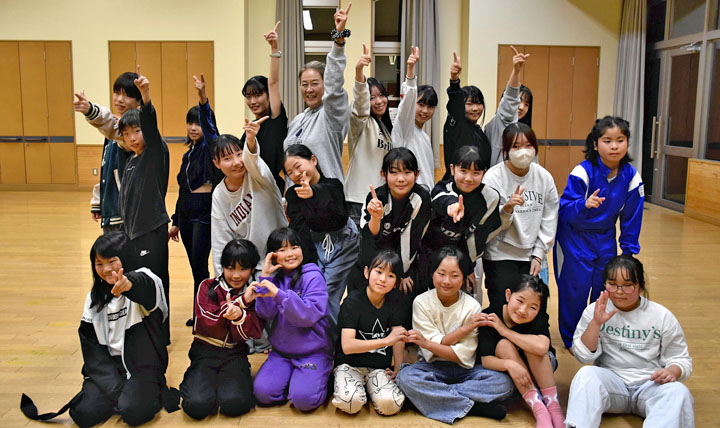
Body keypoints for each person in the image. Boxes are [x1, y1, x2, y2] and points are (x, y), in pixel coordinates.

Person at [20, 232, 175, 427]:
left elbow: (144, 286)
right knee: (83, 414)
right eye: (99, 263)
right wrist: (115, 388)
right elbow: (91, 348)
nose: (106, 269)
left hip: (141, 368)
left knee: (133, 412)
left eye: (112, 261)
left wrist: (129, 284)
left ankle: (135, 395)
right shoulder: (94, 298)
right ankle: (121, 396)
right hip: (109, 368)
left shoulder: (146, 279)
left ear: (125, 258)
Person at [566, 255, 694, 428]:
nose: (619, 291)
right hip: (612, 383)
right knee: (585, 375)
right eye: (612, 284)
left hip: (650, 384)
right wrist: (596, 323)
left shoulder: (661, 316)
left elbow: (680, 358)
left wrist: (672, 371)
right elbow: (582, 356)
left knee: (679, 392)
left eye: (627, 285)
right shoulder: (595, 310)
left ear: (640, 286)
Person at [554, 116, 644, 348]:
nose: (614, 146)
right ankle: (572, 340)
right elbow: (564, 211)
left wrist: (628, 252)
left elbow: (632, 217)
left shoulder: (632, 176)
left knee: (605, 288)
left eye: (620, 140)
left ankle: (597, 334)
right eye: (607, 141)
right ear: (595, 144)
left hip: (605, 238)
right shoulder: (582, 172)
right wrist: (583, 205)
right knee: (575, 290)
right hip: (574, 238)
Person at [395, 246, 513, 424]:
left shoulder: (472, 306)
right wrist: (465, 329)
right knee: (406, 378)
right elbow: (431, 350)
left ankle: (433, 397)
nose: (447, 281)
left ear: (464, 278)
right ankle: (475, 407)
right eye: (441, 274)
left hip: (465, 370)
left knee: (503, 383)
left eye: (454, 275)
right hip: (432, 367)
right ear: (432, 274)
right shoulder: (421, 302)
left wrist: (428, 343)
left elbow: (463, 355)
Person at [116, 66, 171, 341]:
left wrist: (146, 96)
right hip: (133, 233)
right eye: (127, 134)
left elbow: (150, 124)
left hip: (152, 231)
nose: (133, 138)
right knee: (139, 281)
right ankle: (143, 329)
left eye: (137, 131)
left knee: (156, 280)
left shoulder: (154, 153)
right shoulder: (131, 160)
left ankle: (161, 333)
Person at [180, 239, 263, 419]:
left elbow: (254, 331)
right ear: (222, 267)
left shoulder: (255, 294)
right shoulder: (207, 286)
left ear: (252, 269)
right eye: (230, 268)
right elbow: (208, 322)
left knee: (235, 404)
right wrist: (241, 303)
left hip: (235, 354)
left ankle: (228, 381)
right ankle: (201, 379)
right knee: (196, 406)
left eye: (243, 269)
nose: (236, 275)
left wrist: (240, 314)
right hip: (204, 352)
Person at [253, 227, 334, 412]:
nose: (290, 254)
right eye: (282, 250)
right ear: (273, 256)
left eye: (294, 247)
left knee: (304, 401)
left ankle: (317, 379)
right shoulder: (273, 280)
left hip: (313, 352)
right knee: (263, 393)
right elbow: (266, 313)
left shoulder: (313, 276)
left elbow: (308, 316)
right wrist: (265, 277)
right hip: (282, 353)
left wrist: (279, 295)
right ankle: (297, 382)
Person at [482, 123, 558, 307]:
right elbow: (487, 225)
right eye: (516, 146)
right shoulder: (493, 178)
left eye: (528, 145)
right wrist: (507, 209)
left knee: (533, 308)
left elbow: (549, 218)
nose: (523, 151)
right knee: (502, 306)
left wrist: (538, 254)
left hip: (532, 254)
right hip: (500, 253)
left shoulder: (544, 177)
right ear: (505, 150)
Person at [352, 147, 431, 326]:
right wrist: (376, 218)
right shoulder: (376, 198)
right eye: (394, 172)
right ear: (383, 174)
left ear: (417, 174)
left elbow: (411, 239)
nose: (401, 179)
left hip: (404, 261)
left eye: (407, 172)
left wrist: (401, 273)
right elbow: (368, 238)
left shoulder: (421, 198)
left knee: (407, 291)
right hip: (372, 258)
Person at [284, 144, 359, 324]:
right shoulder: (293, 195)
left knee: (328, 291)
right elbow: (299, 229)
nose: (296, 174)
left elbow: (338, 219)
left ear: (313, 160)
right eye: (290, 172)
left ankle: (328, 337)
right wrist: (308, 266)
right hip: (315, 242)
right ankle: (315, 334)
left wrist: (313, 194)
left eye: (298, 166)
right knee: (313, 288)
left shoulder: (333, 185)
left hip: (343, 241)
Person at [478, 275, 564, 428]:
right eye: (520, 301)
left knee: (532, 345)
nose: (523, 310)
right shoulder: (491, 316)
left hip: (543, 368)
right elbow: (486, 360)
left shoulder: (538, 317)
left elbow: (542, 347)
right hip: (514, 372)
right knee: (503, 345)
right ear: (508, 295)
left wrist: (505, 331)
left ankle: (554, 407)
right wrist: (510, 364)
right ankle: (539, 409)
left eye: (533, 307)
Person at [332, 250, 408, 415]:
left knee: (391, 405)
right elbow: (348, 346)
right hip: (349, 365)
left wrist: (398, 370)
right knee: (350, 403)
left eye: (390, 276)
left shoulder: (396, 299)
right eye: (379, 272)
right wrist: (385, 341)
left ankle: (369, 389)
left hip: (378, 367)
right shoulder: (353, 301)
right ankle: (360, 390)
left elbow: (398, 337)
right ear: (367, 272)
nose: (383, 279)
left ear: (396, 282)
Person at [420, 145, 505, 293]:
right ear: (452, 169)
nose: (468, 178)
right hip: (430, 258)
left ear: (484, 173)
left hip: (462, 262)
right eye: (463, 171)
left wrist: (467, 268)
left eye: (476, 173)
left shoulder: (490, 198)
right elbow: (441, 199)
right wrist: (452, 206)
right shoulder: (441, 189)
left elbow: (477, 239)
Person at [210, 117, 288, 276]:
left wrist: (251, 141)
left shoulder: (259, 176)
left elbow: (253, 160)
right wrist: (223, 280)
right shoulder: (219, 194)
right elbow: (220, 241)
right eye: (227, 158)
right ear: (216, 163)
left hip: (282, 256)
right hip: (251, 267)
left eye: (239, 154)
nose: (236, 162)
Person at [283, 3, 352, 182]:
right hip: (297, 197)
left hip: (326, 196)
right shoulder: (297, 121)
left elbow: (334, 86)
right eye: (304, 84)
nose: (309, 89)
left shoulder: (331, 116)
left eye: (315, 83)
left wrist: (338, 41)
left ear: (325, 85)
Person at [443, 46, 529, 177]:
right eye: (469, 104)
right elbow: (456, 106)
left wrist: (516, 71)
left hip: (479, 183)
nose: (475, 108)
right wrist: (454, 81)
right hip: (457, 182)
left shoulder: (481, 131)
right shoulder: (457, 125)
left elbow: (508, 107)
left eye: (479, 103)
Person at [168, 105, 218, 326]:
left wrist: (203, 100)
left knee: (200, 266)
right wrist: (176, 221)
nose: (193, 128)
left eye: (198, 123)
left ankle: (204, 313)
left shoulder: (210, 150)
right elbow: (183, 190)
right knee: (195, 268)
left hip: (204, 216)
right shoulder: (188, 155)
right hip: (187, 216)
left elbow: (212, 133)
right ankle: (200, 311)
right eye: (190, 123)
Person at [73, 72, 140, 232]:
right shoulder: (115, 129)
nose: (120, 99)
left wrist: (91, 110)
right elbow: (108, 169)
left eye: (127, 95)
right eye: (117, 93)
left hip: (125, 212)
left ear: (138, 101)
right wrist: (98, 201)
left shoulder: (135, 130)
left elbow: (111, 125)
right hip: (112, 209)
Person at [345, 43, 394, 226]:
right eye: (372, 98)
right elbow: (359, 106)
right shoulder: (361, 123)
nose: (379, 101)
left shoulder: (387, 129)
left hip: (380, 200)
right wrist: (359, 73)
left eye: (381, 95)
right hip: (358, 200)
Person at [391, 46, 437, 190]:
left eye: (430, 106)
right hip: (410, 196)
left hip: (427, 196)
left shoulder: (425, 136)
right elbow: (407, 103)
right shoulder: (404, 128)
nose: (425, 111)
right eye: (421, 105)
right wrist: (410, 72)